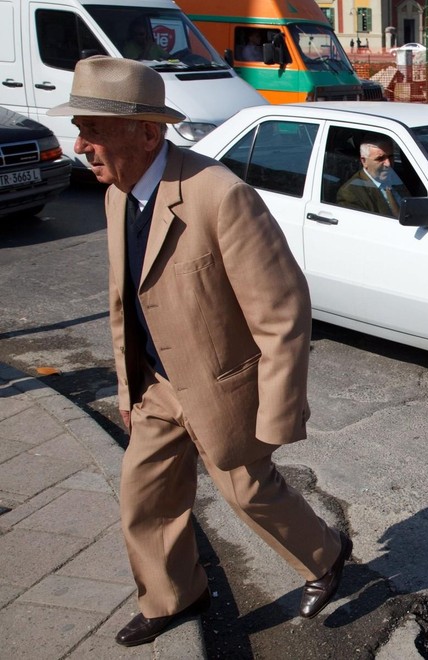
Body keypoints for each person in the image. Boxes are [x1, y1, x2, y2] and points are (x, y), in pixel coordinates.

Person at [48, 56, 351, 647]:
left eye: (94, 129)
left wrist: (279, 411)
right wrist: (128, 387)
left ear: (148, 132)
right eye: (81, 127)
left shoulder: (220, 196)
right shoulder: (116, 193)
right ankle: (175, 596)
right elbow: (124, 302)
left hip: (220, 386)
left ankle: (325, 555)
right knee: (144, 496)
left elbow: (282, 312)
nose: (81, 144)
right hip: (158, 385)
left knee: (249, 493)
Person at [336, 136, 410, 217]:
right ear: (364, 161)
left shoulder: (401, 176)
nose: (388, 164)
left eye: (390, 156)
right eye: (380, 158)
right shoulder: (351, 193)